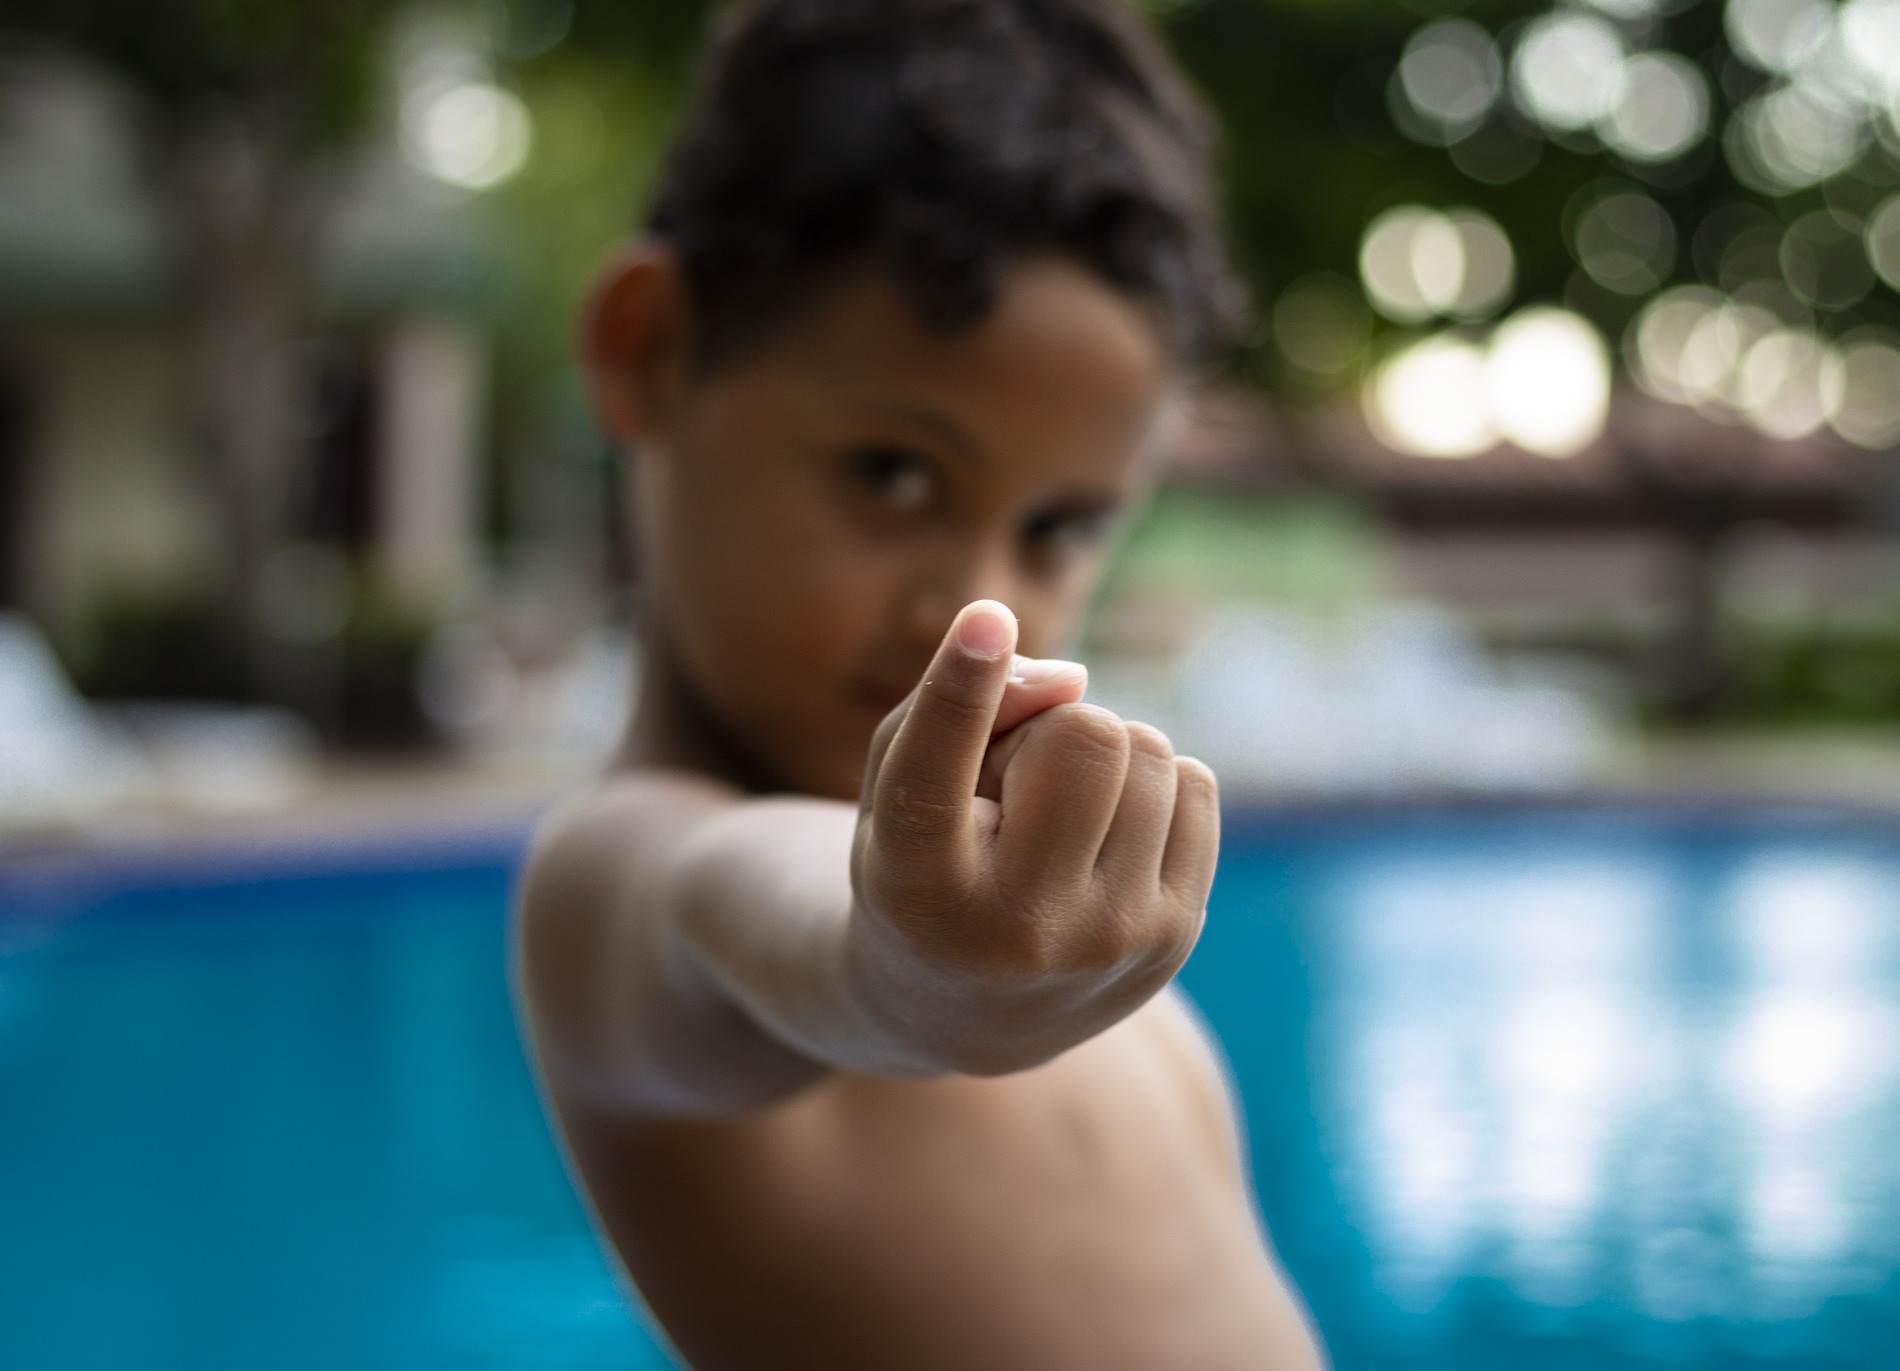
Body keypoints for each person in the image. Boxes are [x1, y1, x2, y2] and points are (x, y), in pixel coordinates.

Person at [515, 0, 1325, 1364]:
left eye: (1060, 527)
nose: (975, 602)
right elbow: (761, 913)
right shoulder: (615, 882)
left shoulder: (1001, 929)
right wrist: (896, 979)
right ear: (649, 350)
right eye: (893, 475)